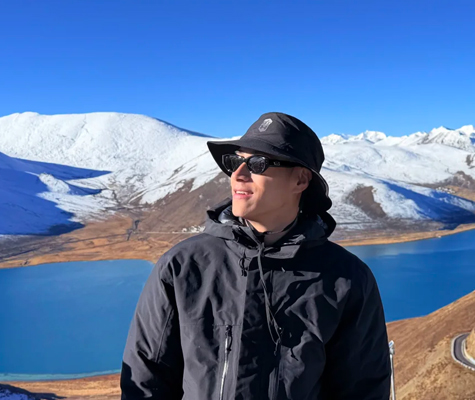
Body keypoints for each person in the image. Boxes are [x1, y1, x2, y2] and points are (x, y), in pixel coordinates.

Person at [120, 112, 391, 399]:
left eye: (257, 163)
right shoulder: (183, 266)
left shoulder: (346, 279)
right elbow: (146, 381)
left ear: (301, 180)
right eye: (234, 162)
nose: (238, 174)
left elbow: (363, 390)